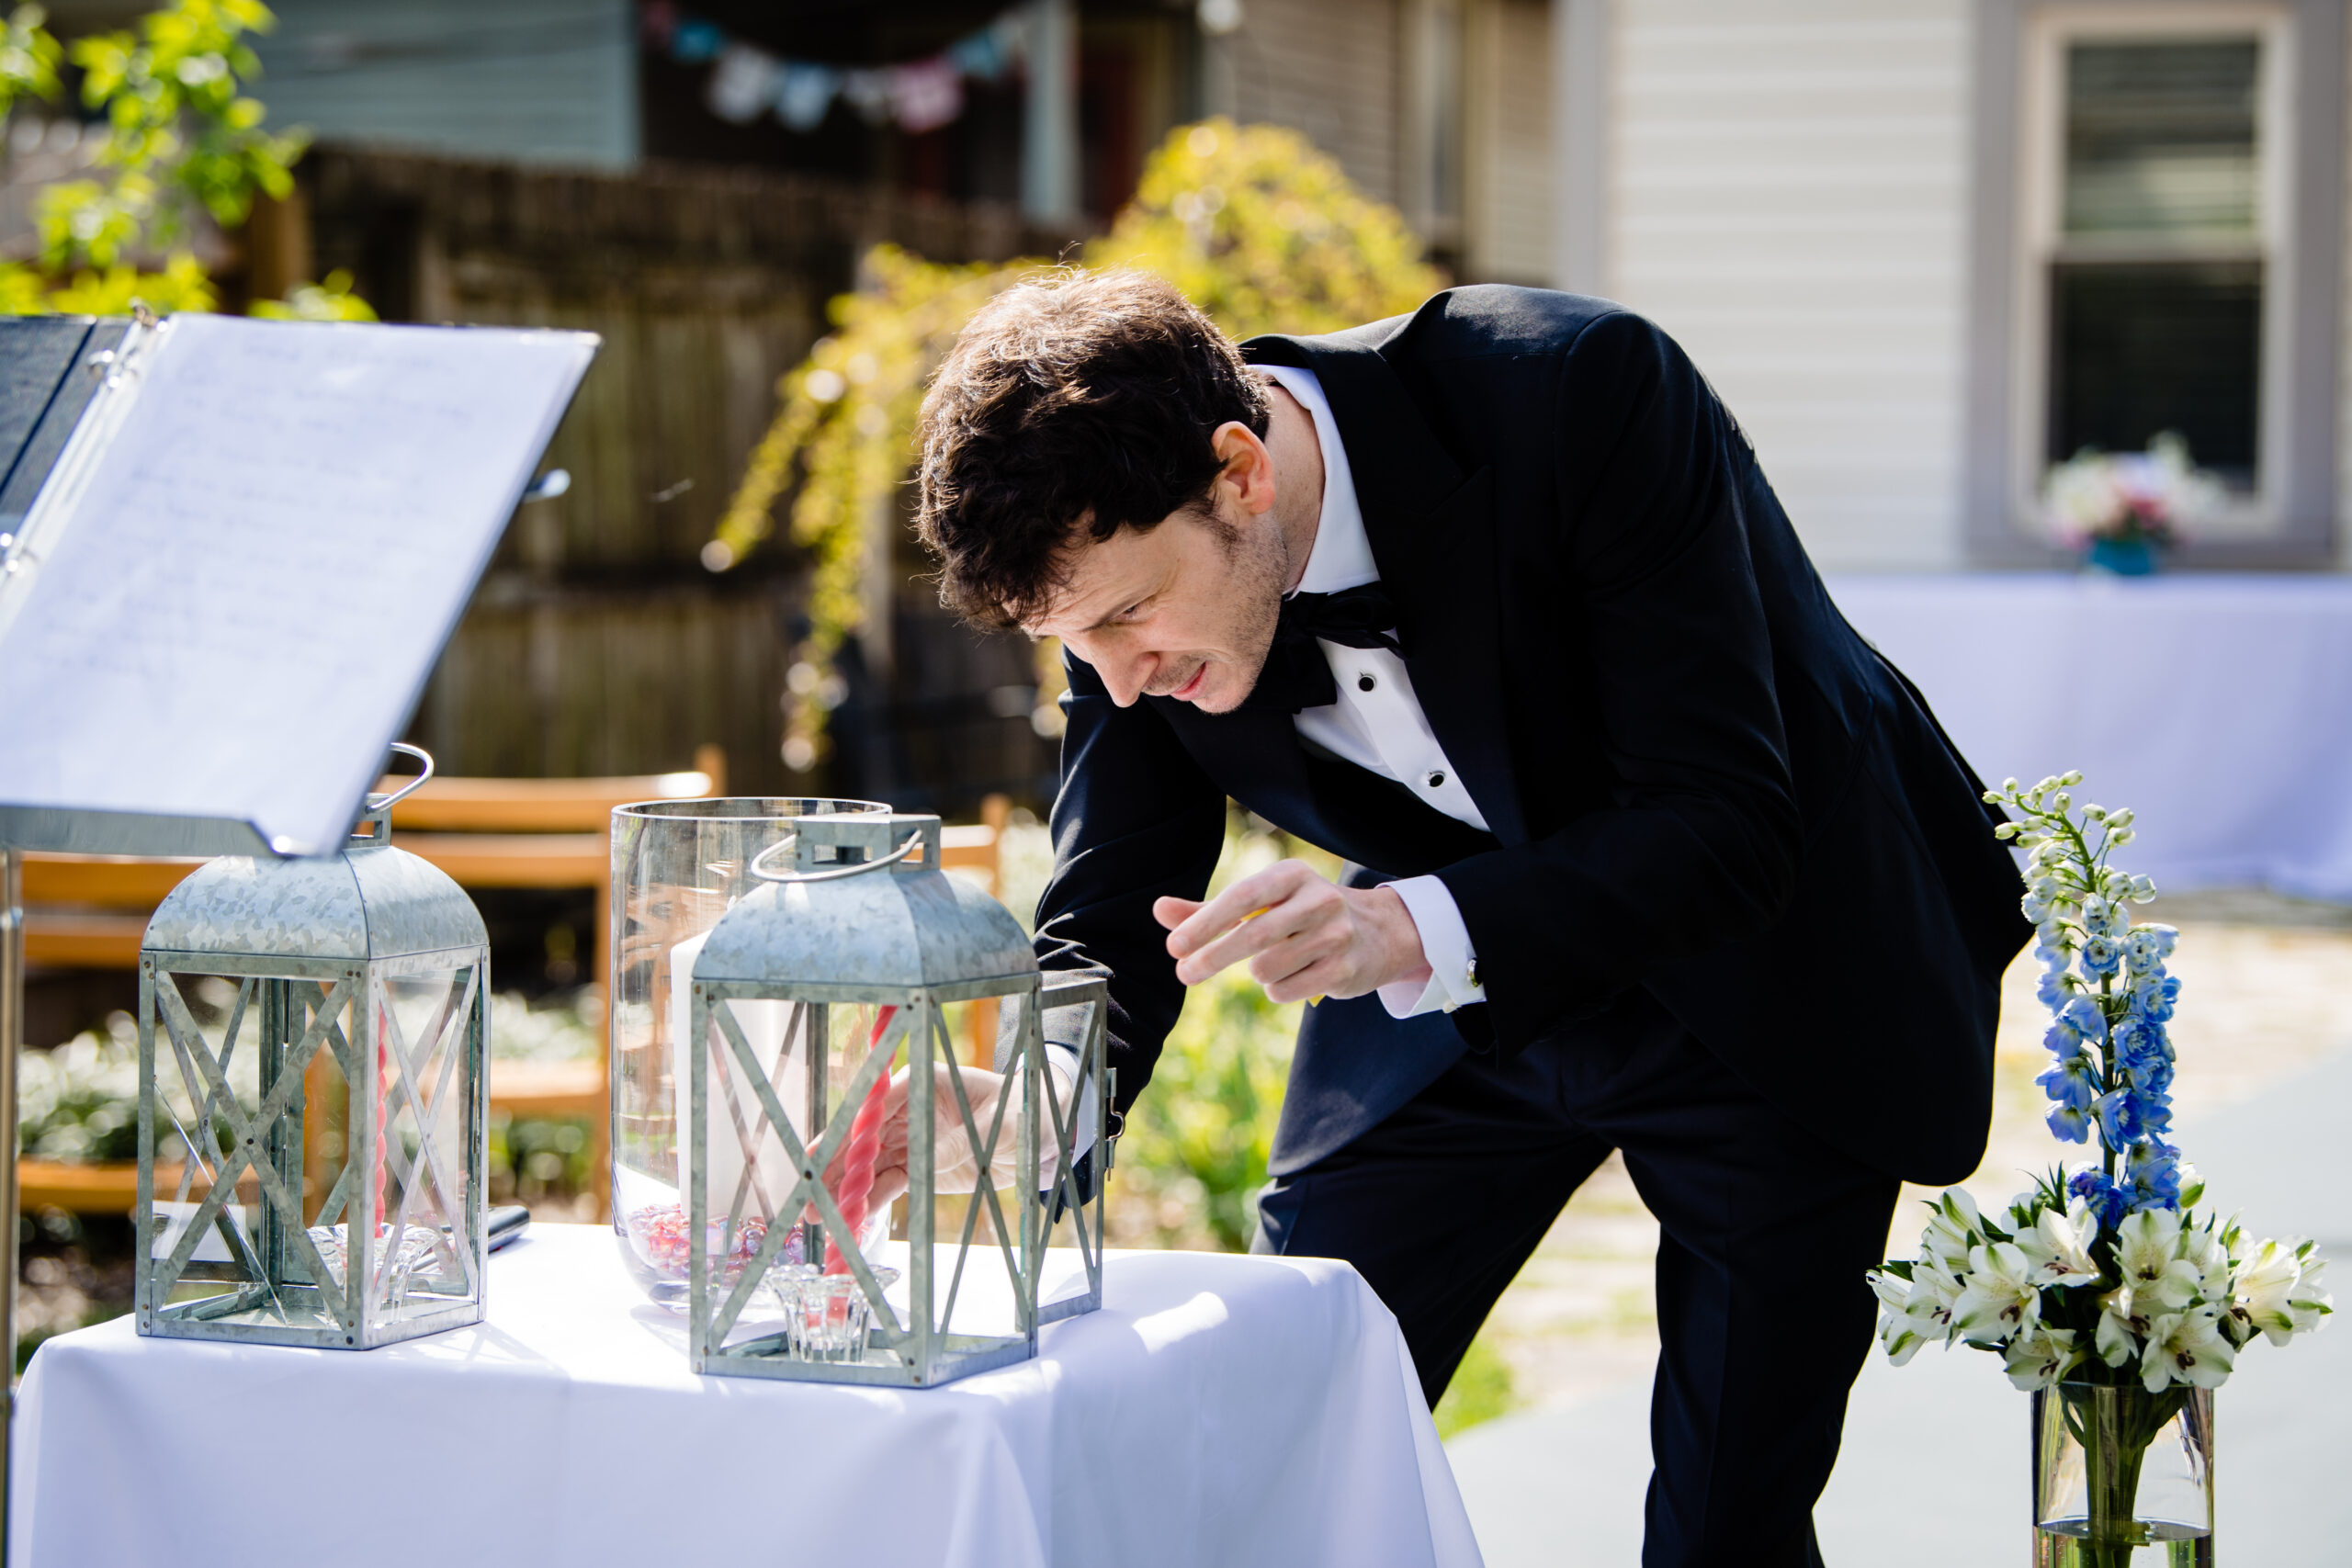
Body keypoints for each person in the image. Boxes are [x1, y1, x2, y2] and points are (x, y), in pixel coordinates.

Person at [903, 269, 2028, 1566]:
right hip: (1443, 1010)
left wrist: (1402, 929)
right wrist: (1034, 1098)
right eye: (1075, 647)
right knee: (1284, 1433)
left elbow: (1725, 820)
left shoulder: (1578, 388)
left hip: (1763, 961)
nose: (1118, 679)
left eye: (1126, 620)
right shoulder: (1118, 576)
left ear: (1240, 473)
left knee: (1729, 1527)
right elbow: (1111, 898)